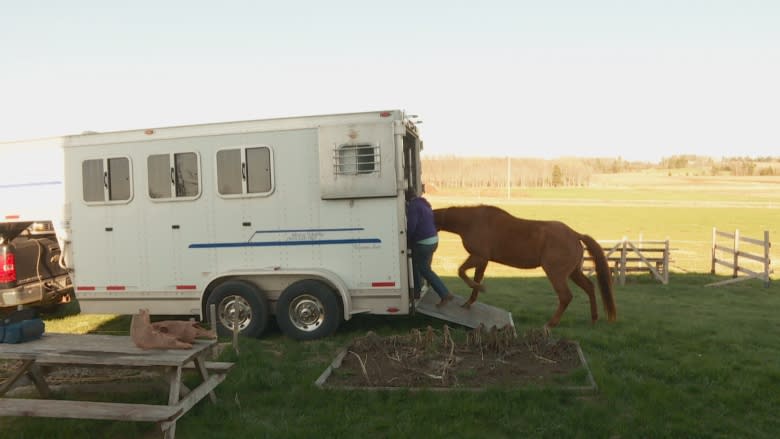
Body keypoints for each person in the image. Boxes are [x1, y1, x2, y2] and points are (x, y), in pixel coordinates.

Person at [406, 190, 454, 307]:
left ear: (407, 199)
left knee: (424, 269)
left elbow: (412, 226)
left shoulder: (413, 206)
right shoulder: (424, 204)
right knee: (417, 266)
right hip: (433, 240)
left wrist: (406, 239)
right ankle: (416, 292)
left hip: (423, 243)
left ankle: (444, 294)